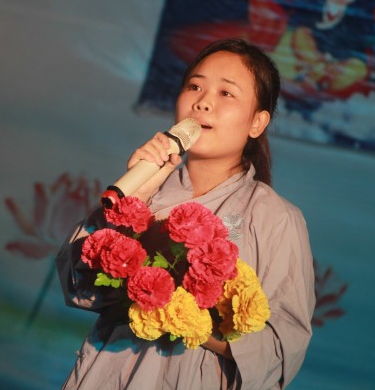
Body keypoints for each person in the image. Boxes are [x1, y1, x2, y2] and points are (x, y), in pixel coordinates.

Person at [56, 38, 315, 389]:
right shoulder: (148, 189)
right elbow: (76, 283)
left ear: (257, 122)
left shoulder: (275, 217)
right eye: (195, 86)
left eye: (226, 93)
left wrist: (185, 317)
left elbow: (281, 351)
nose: (203, 102)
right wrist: (137, 196)